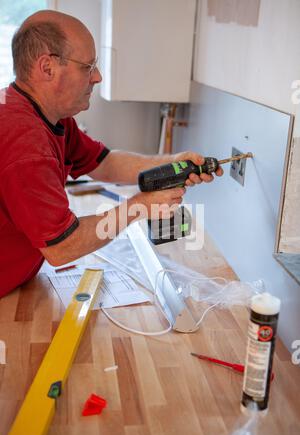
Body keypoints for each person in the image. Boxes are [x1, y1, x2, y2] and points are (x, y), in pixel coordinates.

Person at [0, 10, 223, 298]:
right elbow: (62, 247)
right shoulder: (25, 141)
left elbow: (104, 163)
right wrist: (139, 207)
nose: (98, 76)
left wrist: (172, 162)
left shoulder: (45, 112)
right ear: (47, 68)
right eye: (88, 66)